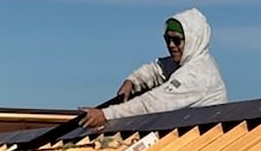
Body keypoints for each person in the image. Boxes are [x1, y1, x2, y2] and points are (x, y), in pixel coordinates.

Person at [81, 8, 227, 129]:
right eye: (167, 39)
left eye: (176, 40)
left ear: (193, 40)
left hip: (205, 140)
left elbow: (153, 104)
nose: (171, 45)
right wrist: (132, 81)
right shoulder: (186, 61)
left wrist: (107, 115)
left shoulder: (196, 75)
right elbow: (158, 69)